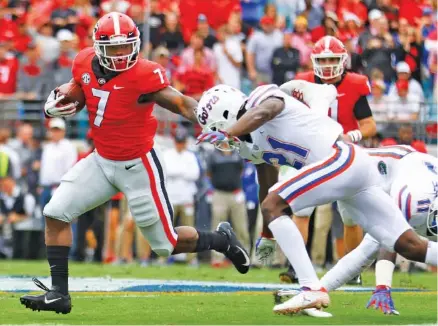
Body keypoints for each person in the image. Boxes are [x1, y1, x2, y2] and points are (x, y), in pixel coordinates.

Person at [20, 12, 249, 315]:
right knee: (55, 212)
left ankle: (221, 240)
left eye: (125, 47)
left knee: (165, 244)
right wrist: (66, 95)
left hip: (138, 166)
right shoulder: (83, 61)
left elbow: (179, 102)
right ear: (99, 47)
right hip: (101, 160)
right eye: (113, 48)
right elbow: (81, 84)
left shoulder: (145, 74)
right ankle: (59, 293)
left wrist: (212, 122)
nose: (120, 55)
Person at [195, 83, 437, 315]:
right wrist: (267, 235)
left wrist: (231, 132)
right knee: (409, 246)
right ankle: (314, 289)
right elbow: (267, 183)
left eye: (216, 129)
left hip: (340, 158)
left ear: (225, 115)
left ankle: (310, 288)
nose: (218, 138)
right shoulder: (248, 145)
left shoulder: (261, 98)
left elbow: (266, 111)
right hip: (349, 174)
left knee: (273, 204)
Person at [278, 35, 377, 285]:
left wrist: (352, 134)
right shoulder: (301, 83)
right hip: (311, 154)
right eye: (323, 60)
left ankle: (352, 270)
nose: (328, 64)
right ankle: (296, 267)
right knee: (300, 210)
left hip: (344, 155)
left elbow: (369, 124)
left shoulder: (355, 84)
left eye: (333, 59)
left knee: (351, 217)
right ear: (313, 61)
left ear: (343, 60)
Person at [295, 149, 438, 316]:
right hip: (359, 175)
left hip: (378, 173)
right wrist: (383, 286)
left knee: (363, 237)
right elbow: (385, 243)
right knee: (368, 244)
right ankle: (314, 292)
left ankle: (315, 293)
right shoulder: (414, 197)